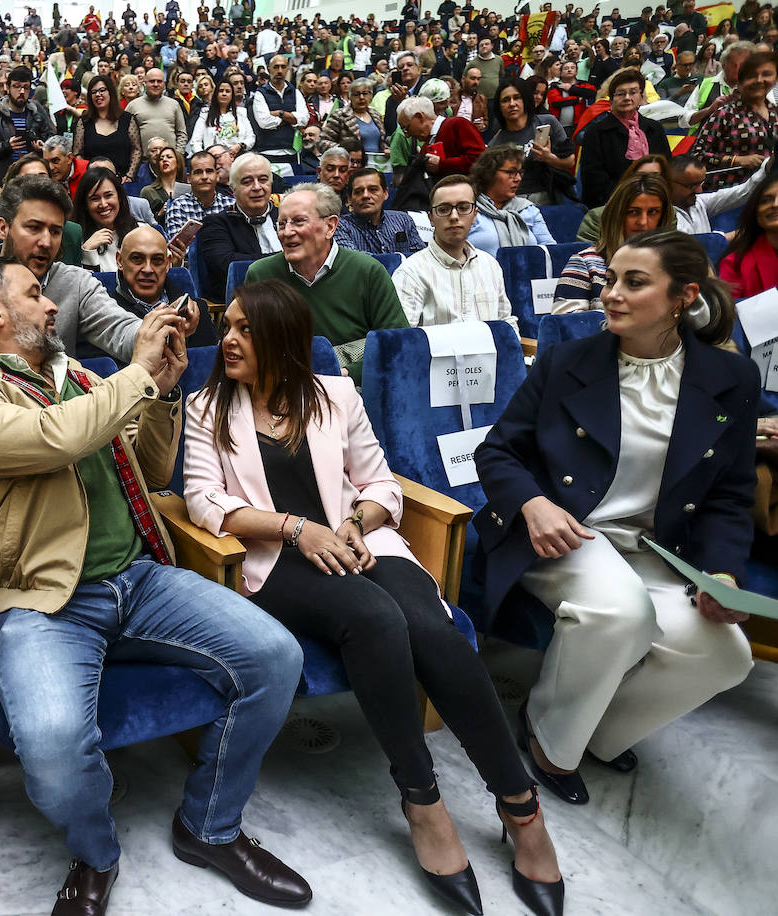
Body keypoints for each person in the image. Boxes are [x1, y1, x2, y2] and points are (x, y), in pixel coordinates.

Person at [0, 255, 312, 914]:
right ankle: (95, 853)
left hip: (139, 578)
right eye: (34, 295)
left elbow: (156, 468)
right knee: (51, 749)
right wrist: (135, 371)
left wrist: (163, 390)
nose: (52, 306)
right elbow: (53, 439)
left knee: (276, 658)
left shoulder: (82, 377)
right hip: (42, 602)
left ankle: (209, 828)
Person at [184, 278, 561, 916]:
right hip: (275, 561)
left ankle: (520, 806)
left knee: (436, 628)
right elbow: (204, 500)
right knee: (375, 618)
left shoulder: (335, 394)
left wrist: (355, 526)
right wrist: (298, 530)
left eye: (247, 329)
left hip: (362, 542)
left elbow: (378, 479)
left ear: (284, 339)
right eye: (230, 326)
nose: (228, 339)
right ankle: (423, 802)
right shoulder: (207, 406)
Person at [474, 229, 757, 808]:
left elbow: (730, 494)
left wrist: (722, 574)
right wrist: (534, 503)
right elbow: (498, 450)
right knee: (619, 611)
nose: (611, 294)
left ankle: (598, 732)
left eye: (634, 282)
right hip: (566, 534)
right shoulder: (566, 361)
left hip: (656, 548)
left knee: (727, 654)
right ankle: (550, 736)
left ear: (683, 296)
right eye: (610, 280)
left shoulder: (731, 380)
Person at [0, 174, 179, 373]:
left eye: (55, 231)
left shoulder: (75, 283)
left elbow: (120, 330)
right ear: (3, 228)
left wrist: (164, 329)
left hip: (54, 422)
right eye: (34, 228)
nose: (47, 242)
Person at [243, 184, 407, 382]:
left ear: (330, 226)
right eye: (282, 224)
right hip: (283, 384)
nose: (287, 232)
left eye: (298, 222)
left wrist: (343, 374)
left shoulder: (367, 271)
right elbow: (248, 343)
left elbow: (397, 341)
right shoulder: (261, 275)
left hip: (353, 386)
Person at [394, 175, 516, 332]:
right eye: (443, 210)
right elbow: (403, 339)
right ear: (431, 218)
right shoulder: (411, 273)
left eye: (463, 208)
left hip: (490, 356)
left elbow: (506, 323)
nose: (454, 216)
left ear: (474, 215)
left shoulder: (490, 265)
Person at [553, 174, 676, 312]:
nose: (643, 222)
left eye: (653, 212)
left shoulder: (675, 263)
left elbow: (698, 321)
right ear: (617, 216)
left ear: (663, 217)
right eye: (633, 212)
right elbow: (564, 327)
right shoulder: (585, 263)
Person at [578, 69, 671, 209]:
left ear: (641, 96)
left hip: (654, 202)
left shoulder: (654, 128)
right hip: (613, 205)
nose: (627, 97)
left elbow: (666, 167)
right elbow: (593, 179)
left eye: (633, 92)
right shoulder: (597, 132)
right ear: (611, 99)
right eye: (620, 94)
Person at [197, 153, 281, 303]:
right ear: (233, 189)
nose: (257, 187)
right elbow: (228, 264)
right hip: (245, 304)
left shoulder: (287, 218)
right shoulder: (215, 224)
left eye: (263, 180)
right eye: (247, 182)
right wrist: (286, 259)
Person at [689, 51, 777, 191]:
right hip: (730, 192)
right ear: (740, 81)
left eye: (767, 74)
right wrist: (736, 160)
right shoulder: (726, 114)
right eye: (752, 76)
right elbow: (697, 154)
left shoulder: (775, 113)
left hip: (768, 193)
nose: (760, 80)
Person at [390, 97, 486, 212]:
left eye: (407, 128)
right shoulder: (425, 147)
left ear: (420, 117)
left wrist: (443, 164)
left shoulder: (457, 124)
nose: (407, 135)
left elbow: (481, 160)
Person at [487, 79, 576, 205]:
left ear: (525, 100)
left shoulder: (548, 122)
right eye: (505, 100)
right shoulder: (496, 144)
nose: (512, 104)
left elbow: (570, 161)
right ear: (499, 107)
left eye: (517, 98)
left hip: (548, 197)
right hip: (513, 203)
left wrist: (549, 158)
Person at [466, 146, 558, 255]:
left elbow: (551, 250)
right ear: (488, 173)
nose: (518, 178)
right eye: (511, 172)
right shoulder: (468, 210)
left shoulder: (527, 209)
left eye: (520, 172)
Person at [0, 66, 55, 183]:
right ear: (8, 88)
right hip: (4, 178)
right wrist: (6, 146)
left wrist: (42, 147)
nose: (22, 91)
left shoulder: (37, 113)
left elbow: (51, 139)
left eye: (26, 87)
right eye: (16, 86)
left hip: (33, 177)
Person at [74, 166, 152, 272]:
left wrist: (175, 261)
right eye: (95, 199)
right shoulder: (75, 239)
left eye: (108, 195)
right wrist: (88, 251)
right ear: (85, 205)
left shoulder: (142, 231)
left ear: (119, 197)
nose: (103, 204)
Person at [336, 169, 427, 257]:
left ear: (386, 193)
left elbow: (422, 259)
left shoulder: (403, 220)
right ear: (349, 199)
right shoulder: (340, 226)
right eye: (358, 192)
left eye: (373, 189)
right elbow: (356, 264)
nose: (365, 195)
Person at [719, 169, 778, 299]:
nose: (775, 204)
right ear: (756, 212)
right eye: (766, 200)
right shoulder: (734, 264)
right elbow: (730, 315)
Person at [73, 74, 143, 178]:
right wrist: (87, 176)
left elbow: (136, 149)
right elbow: (78, 154)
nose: (98, 94)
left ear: (111, 92)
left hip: (123, 181)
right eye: (93, 92)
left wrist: (129, 176)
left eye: (102, 90)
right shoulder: (83, 122)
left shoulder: (127, 119)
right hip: (93, 181)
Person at [163, 149, 236, 243]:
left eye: (209, 171)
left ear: (217, 175)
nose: (204, 177)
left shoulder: (231, 205)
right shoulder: (179, 206)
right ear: (189, 178)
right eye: (198, 172)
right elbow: (177, 249)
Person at [250, 55, 308, 166]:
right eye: (276, 67)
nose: (280, 71)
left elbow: (304, 119)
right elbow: (264, 122)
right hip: (267, 152)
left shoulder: (295, 92)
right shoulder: (260, 93)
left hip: (292, 152)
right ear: (269, 68)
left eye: (283, 67)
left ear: (287, 69)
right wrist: (291, 118)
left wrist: (279, 113)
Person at [318, 79, 387, 167]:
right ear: (350, 97)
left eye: (365, 93)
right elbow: (322, 142)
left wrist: (386, 149)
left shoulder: (376, 115)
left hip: (375, 165)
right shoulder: (340, 115)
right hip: (350, 166)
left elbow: (381, 141)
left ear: (371, 96)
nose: (361, 97)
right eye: (357, 94)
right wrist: (344, 151)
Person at [128, 67, 188, 154]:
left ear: (164, 84)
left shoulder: (174, 104)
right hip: (143, 161)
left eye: (159, 81)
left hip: (170, 161)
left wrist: (178, 155)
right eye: (152, 81)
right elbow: (125, 135)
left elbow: (181, 133)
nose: (156, 84)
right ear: (145, 83)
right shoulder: (133, 105)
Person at [188, 78, 254, 156]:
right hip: (213, 158)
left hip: (238, 156)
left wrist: (240, 146)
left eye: (228, 91)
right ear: (215, 94)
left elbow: (251, 137)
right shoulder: (205, 114)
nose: (224, 94)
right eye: (221, 91)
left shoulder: (241, 113)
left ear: (232, 95)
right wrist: (206, 157)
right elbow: (195, 141)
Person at [141, 147, 189, 225]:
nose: (164, 160)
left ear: (178, 163)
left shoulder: (188, 191)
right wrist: (160, 214)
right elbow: (143, 224)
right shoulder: (148, 191)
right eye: (161, 159)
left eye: (169, 157)